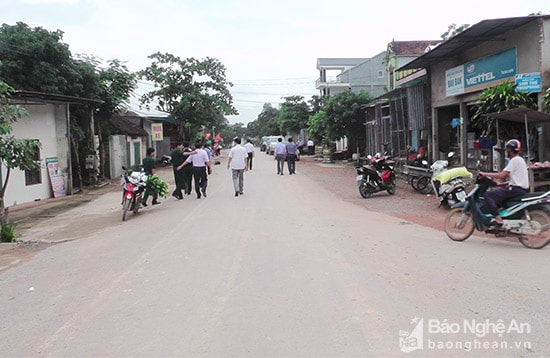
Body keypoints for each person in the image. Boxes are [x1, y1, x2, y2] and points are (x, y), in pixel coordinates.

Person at [479, 139, 529, 225]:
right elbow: (517, 178)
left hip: (515, 189)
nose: (506, 152)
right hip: (519, 189)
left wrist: (484, 174)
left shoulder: (514, 160)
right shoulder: (520, 160)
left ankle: (498, 218)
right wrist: (501, 184)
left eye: (507, 150)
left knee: (488, 195)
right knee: (500, 198)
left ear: (510, 150)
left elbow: (502, 175)